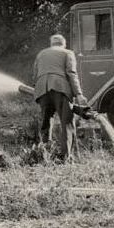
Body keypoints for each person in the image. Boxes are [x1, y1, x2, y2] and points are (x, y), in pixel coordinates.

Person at [32, 34, 87, 162]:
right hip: (60, 88)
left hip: (42, 90)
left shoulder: (41, 53)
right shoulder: (68, 53)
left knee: (46, 122)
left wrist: (39, 89)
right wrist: (78, 94)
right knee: (66, 122)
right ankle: (66, 157)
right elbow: (71, 74)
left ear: (52, 44)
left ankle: (44, 153)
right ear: (64, 44)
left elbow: (35, 75)